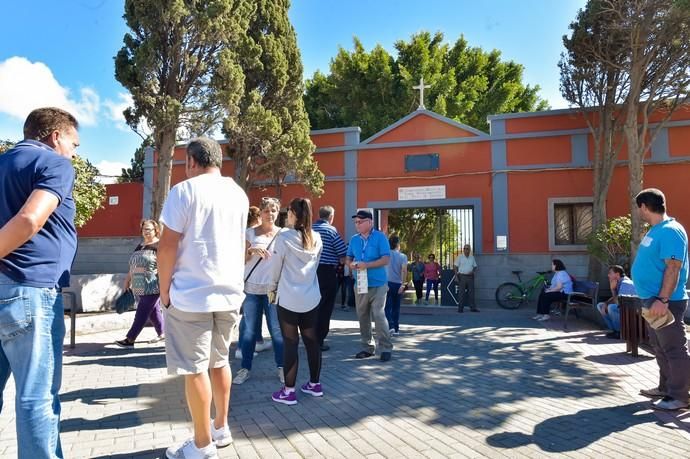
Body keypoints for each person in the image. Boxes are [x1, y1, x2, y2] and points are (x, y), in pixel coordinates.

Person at [157, 137, 248, 458]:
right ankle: (220, 429)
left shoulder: (184, 191)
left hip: (190, 295)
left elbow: (167, 245)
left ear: (192, 161)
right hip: (229, 293)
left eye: (185, 163)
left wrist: (164, 291)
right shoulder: (238, 193)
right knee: (220, 362)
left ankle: (200, 445)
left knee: (195, 369)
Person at [0, 107, 79, 459]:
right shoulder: (55, 164)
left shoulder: (4, 164)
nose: (74, 153)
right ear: (55, 136)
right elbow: (31, 218)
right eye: (74, 144)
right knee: (37, 396)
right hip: (29, 291)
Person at [631, 188, 690, 411]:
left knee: (674, 348)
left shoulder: (671, 231)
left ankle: (680, 397)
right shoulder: (657, 230)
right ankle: (666, 388)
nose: (639, 212)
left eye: (639, 208)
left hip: (665, 302)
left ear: (644, 206)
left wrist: (663, 299)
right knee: (659, 346)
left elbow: (673, 268)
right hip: (652, 300)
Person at [268, 198, 323, 405]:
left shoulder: (283, 237)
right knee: (312, 341)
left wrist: (272, 287)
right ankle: (315, 384)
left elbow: (276, 267)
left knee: (290, 342)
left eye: (288, 210)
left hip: (288, 297)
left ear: (293, 214)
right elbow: (315, 265)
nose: (286, 214)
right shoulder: (317, 237)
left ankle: (289, 391)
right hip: (311, 296)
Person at [233, 197, 285, 385]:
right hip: (252, 289)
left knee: (277, 330)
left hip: (273, 289)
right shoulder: (249, 233)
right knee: (249, 331)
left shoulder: (283, 234)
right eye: (266, 211)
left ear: (278, 212)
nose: (270, 214)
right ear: (260, 213)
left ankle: (282, 368)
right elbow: (239, 260)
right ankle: (245, 368)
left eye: (273, 210)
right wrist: (251, 251)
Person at [346, 210, 393, 361]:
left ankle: (385, 348)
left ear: (370, 222)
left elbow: (386, 259)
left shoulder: (380, 237)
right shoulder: (354, 240)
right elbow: (348, 257)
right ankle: (367, 348)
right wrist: (350, 265)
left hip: (378, 284)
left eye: (360, 222)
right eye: (356, 222)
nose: (357, 225)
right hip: (360, 283)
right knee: (363, 316)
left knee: (378, 314)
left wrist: (367, 265)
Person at [115, 219, 165, 347]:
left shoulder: (160, 245)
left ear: (156, 231)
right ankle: (163, 333)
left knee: (141, 312)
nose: (146, 232)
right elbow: (133, 266)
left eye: (149, 229)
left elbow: (165, 265)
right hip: (139, 285)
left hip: (153, 285)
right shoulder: (140, 245)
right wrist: (128, 280)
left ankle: (130, 338)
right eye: (144, 229)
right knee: (153, 311)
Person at [313, 205, 347, 351]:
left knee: (312, 306)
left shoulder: (310, 229)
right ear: (331, 217)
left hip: (310, 272)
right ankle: (319, 340)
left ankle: (309, 337)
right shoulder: (330, 230)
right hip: (326, 272)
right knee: (325, 307)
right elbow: (342, 252)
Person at [595, 265, 636, 340]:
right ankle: (615, 330)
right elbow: (616, 298)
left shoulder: (625, 283)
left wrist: (612, 290)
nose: (608, 275)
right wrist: (605, 304)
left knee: (612, 308)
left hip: (631, 312)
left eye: (610, 273)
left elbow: (619, 303)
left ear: (617, 274)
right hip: (625, 309)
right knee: (600, 305)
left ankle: (620, 332)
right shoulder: (619, 282)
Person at [385, 236, 408, 335]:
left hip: (387, 283)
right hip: (398, 283)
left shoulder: (386, 255)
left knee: (386, 307)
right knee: (396, 307)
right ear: (398, 245)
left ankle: (390, 326)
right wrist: (403, 285)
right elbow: (404, 270)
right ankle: (396, 328)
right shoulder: (403, 256)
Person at [454, 244, 479, 313]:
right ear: (463, 249)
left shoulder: (472, 257)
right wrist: (456, 276)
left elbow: (475, 266)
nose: (466, 250)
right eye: (465, 248)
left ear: (470, 250)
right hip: (462, 276)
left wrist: (473, 271)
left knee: (471, 293)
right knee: (461, 293)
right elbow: (455, 266)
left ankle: (472, 308)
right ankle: (460, 308)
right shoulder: (460, 257)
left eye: (468, 249)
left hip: (470, 277)